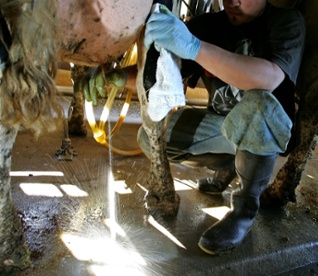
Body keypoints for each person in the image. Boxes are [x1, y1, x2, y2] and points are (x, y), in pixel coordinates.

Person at [85, 0, 305, 255]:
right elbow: (165, 74)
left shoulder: (286, 21)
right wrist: (119, 77)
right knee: (148, 137)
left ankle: (243, 212)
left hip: (267, 128)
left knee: (259, 103)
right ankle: (229, 167)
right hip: (224, 125)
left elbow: (269, 78)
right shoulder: (209, 25)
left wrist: (194, 47)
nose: (233, 1)